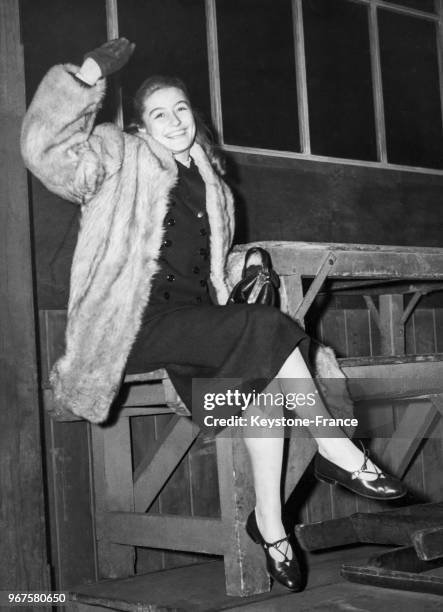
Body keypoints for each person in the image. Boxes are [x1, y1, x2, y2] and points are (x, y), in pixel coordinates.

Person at [21, 38, 406, 593]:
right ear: (141, 127)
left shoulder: (214, 185)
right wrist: (84, 76)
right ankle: (336, 448)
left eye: (181, 109)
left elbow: (203, 261)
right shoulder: (115, 158)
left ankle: (271, 525)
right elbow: (44, 150)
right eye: (159, 113)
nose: (174, 120)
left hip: (198, 323)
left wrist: (244, 259)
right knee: (271, 330)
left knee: (260, 391)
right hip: (134, 324)